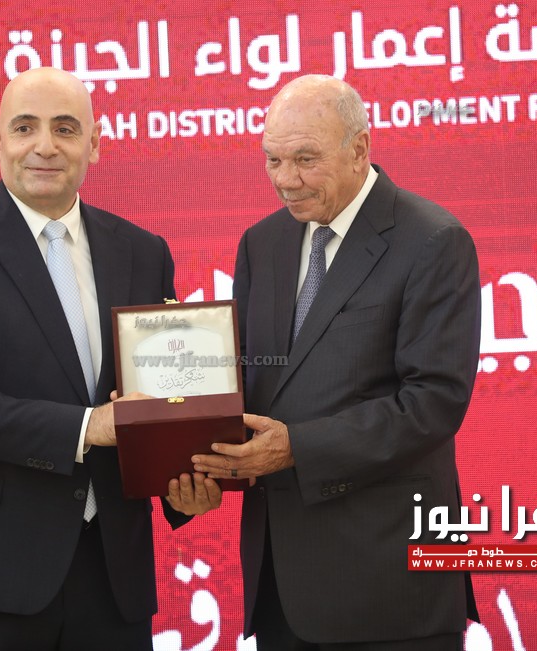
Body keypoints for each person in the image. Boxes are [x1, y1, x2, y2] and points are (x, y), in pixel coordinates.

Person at [0, 66, 220, 650]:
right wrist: (91, 427)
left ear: (95, 143)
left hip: (111, 581)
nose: (45, 146)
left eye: (66, 129)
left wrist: (181, 485)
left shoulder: (143, 252)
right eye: (25, 128)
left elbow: (161, 393)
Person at [192, 74, 481, 650]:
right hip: (282, 587)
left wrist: (297, 448)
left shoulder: (433, 240)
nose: (285, 179)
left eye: (305, 159)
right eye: (273, 160)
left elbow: (432, 404)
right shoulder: (261, 244)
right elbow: (248, 383)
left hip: (390, 586)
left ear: (359, 149)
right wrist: (189, 458)